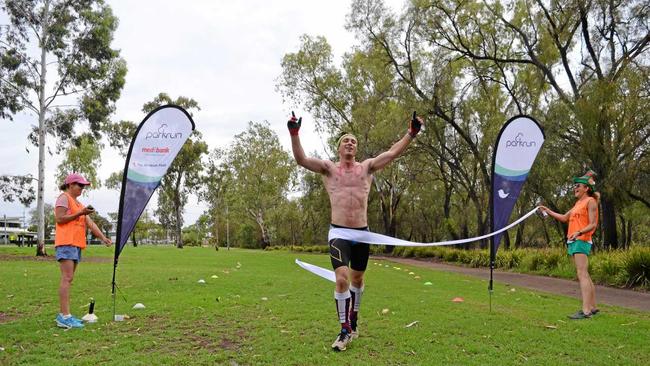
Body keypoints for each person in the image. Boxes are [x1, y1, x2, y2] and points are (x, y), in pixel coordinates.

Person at [288, 111, 423, 351]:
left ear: (356, 149)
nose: (350, 143)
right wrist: (294, 133)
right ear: (339, 148)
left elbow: (392, 153)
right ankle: (343, 330)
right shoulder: (328, 169)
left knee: (357, 280)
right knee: (342, 279)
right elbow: (301, 160)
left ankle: (354, 318)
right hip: (339, 233)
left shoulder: (366, 168)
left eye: (354, 141)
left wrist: (411, 134)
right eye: (346, 141)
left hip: (362, 233)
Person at [538, 170, 600, 320]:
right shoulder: (578, 203)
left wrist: (579, 233)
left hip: (581, 239)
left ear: (586, 188)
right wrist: (548, 211)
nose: (575, 188)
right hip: (574, 240)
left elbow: (593, 224)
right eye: (574, 186)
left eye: (578, 186)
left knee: (582, 274)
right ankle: (592, 307)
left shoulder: (590, 201)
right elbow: (565, 217)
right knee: (584, 273)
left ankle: (585, 310)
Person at [54, 173, 112, 329]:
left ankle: (66, 315)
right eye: (80, 185)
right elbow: (59, 218)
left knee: (69, 278)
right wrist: (80, 213)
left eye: (83, 186)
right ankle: (64, 316)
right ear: (71, 184)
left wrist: (103, 238)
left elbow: (90, 223)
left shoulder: (78, 203)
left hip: (76, 245)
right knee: (67, 277)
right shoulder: (64, 198)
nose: (82, 189)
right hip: (66, 242)